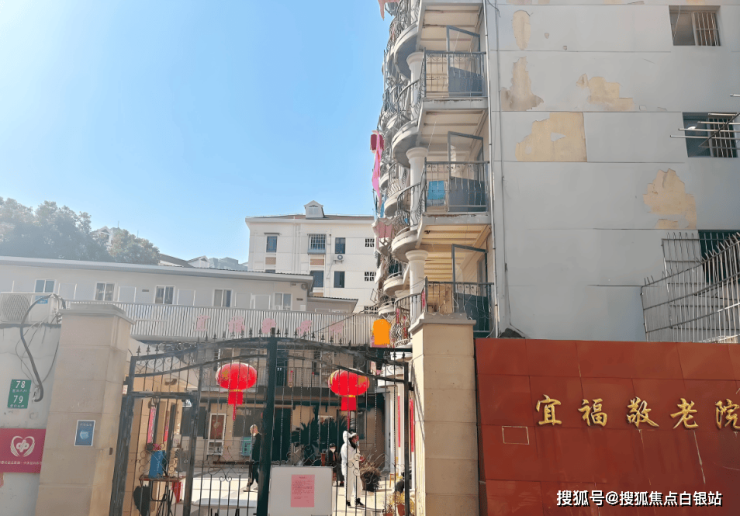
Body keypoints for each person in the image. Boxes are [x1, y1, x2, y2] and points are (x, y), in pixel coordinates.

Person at [340, 431, 364, 508]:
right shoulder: (345, 447)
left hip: (355, 468)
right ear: (349, 439)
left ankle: (357, 500)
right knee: (349, 485)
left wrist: (360, 458)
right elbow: (349, 457)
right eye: (353, 438)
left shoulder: (354, 446)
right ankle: (348, 501)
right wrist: (356, 451)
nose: (355, 439)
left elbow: (356, 456)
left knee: (358, 484)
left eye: (355, 438)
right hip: (348, 469)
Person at [244, 425, 262, 492]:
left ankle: (248, 486)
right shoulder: (254, 437)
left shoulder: (259, 437)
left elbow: (258, 448)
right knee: (255, 472)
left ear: (255, 429)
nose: (250, 431)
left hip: (256, 458)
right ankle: (260, 485)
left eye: (251, 429)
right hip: (253, 457)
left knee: (252, 472)